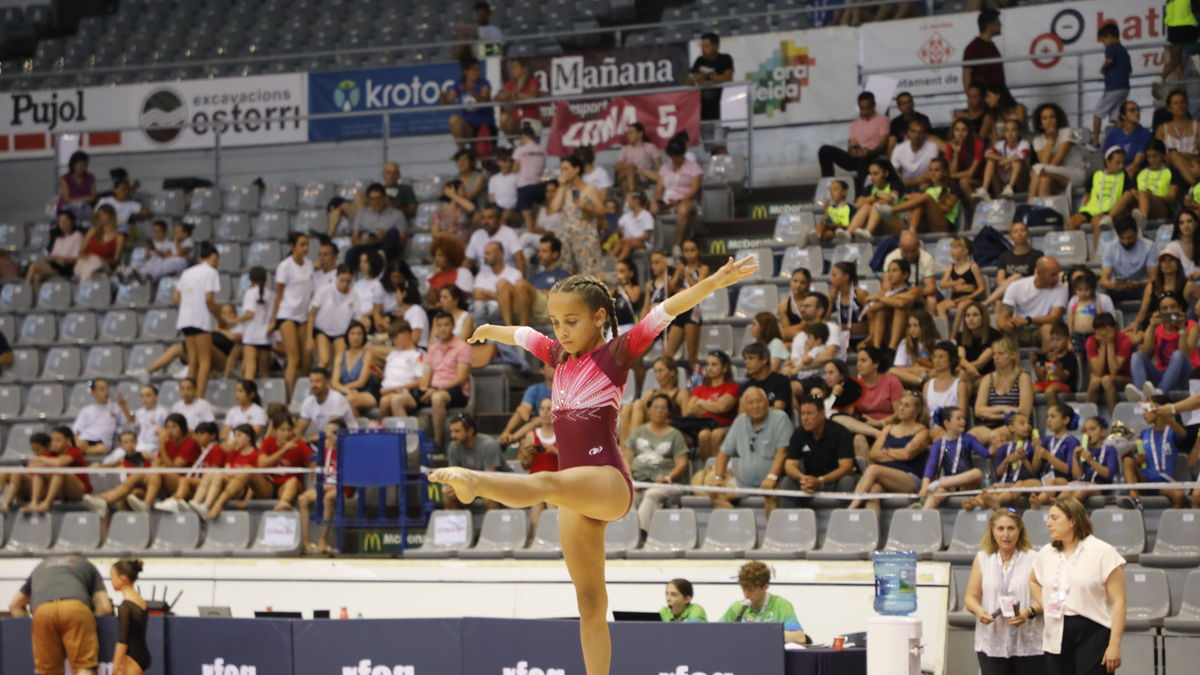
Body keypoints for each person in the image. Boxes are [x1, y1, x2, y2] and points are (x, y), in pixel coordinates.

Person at [430, 257, 758, 675]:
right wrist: (488, 330)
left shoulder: (616, 355)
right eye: (556, 322)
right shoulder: (557, 355)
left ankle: (475, 482)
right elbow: (523, 334)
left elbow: (666, 311)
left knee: (547, 481)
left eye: (571, 321)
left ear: (599, 316)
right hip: (575, 498)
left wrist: (713, 282)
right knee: (590, 602)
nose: (562, 332)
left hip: (607, 481)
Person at [1030, 497, 1127, 675]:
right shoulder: (1046, 552)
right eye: (1048, 518)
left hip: (1093, 632)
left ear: (1073, 520)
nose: (1048, 523)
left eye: (1054, 518)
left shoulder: (1103, 552)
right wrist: (1046, 603)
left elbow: (1119, 602)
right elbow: (1033, 581)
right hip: (1056, 630)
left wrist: (1114, 645)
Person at [963, 509, 1043, 674]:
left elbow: (1046, 600)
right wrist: (979, 611)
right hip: (993, 641)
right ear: (992, 531)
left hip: (1028, 642)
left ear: (1019, 531)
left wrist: (1028, 612)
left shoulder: (1034, 559)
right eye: (1000, 529)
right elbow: (970, 597)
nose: (1005, 534)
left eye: (1011, 528)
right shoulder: (983, 558)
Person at [8, 553, 113, 675]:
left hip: (43, 611)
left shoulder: (40, 567)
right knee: (83, 666)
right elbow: (105, 607)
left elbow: (14, 606)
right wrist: (90, 623)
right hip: (75, 608)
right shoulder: (86, 565)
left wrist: (33, 626)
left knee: (47, 670)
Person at [703, 387, 790, 516]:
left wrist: (771, 477)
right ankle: (739, 528)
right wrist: (718, 478)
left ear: (767, 403)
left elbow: (783, 452)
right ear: (744, 406)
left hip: (775, 481)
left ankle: (771, 534)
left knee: (772, 496)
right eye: (750, 402)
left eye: (759, 401)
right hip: (743, 484)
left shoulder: (780, 418)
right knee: (716, 494)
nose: (755, 406)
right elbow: (724, 452)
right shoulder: (740, 421)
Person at [847, 391, 930, 512]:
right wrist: (897, 454)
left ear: (916, 411)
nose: (901, 408)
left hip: (909, 478)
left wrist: (886, 451)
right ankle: (872, 529)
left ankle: (851, 509)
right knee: (873, 491)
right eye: (900, 404)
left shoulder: (922, 431)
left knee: (873, 469)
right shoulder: (888, 428)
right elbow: (874, 454)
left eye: (907, 406)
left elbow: (906, 454)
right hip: (885, 477)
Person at [622, 393, 689, 532]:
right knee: (628, 496)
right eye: (656, 407)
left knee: (652, 494)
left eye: (663, 408)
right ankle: (627, 531)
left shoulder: (675, 435)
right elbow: (626, 460)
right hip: (639, 482)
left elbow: (682, 463)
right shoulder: (638, 432)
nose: (659, 411)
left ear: (668, 412)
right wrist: (631, 480)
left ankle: (640, 531)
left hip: (665, 483)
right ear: (649, 410)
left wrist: (667, 478)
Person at [1128, 291, 1199, 398]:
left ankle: (1160, 393)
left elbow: (1186, 354)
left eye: (1173, 307)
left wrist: (1181, 328)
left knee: (1178, 354)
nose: (1169, 311)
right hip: (1163, 376)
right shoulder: (1156, 328)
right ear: (1159, 312)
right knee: (1136, 356)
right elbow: (1146, 354)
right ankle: (1141, 394)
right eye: (1165, 309)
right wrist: (1151, 327)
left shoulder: (1191, 326)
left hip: (1186, 377)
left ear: (1180, 308)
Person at [1120, 397, 1188, 508]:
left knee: (1179, 495)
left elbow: (1183, 435)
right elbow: (1138, 459)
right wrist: (1138, 460)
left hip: (1164, 482)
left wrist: (1166, 416)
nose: (1144, 413)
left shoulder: (1172, 432)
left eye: (1148, 408)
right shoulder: (1144, 433)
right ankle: (1134, 499)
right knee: (1128, 461)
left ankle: (1173, 523)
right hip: (1146, 479)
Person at [785, 395, 858, 497]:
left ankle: (845, 512)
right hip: (811, 481)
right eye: (802, 414)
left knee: (847, 481)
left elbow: (846, 467)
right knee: (787, 482)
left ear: (822, 414)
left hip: (835, 481)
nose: (805, 418)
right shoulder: (799, 433)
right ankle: (791, 513)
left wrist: (821, 481)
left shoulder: (840, 433)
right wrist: (803, 478)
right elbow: (790, 465)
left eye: (810, 413)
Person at [719, 561, 807, 644]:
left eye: (751, 590)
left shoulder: (781, 605)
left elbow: (799, 638)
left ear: (765, 587)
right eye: (744, 590)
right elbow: (718, 632)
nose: (746, 595)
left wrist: (761, 633)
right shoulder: (737, 607)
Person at [419, 311, 472, 448]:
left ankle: (437, 443)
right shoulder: (433, 348)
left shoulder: (462, 347)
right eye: (439, 325)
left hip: (456, 390)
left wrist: (436, 389)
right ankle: (414, 446)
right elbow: (426, 374)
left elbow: (461, 378)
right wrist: (424, 389)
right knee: (398, 400)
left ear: (453, 326)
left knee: (437, 398)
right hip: (434, 389)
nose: (443, 328)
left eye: (446, 325)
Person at [272, 232, 315, 402]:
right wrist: (273, 320)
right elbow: (279, 294)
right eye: (302, 245)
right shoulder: (285, 266)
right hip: (287, 314)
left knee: (306, 360)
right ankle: (288, 399)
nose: (305, 248)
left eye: (307, 244)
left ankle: (302, 396)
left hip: (303, 315)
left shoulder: (310, 264)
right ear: (292, 246)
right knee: (294, 359)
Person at [818, 92, 891, 190]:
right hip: (857, 157)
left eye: (867, 108)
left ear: (874, 105)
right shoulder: (855, 124)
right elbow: (852, 145)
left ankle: (860, 193)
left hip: (873, 156)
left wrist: (869, 151)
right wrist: (853, 151)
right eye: (862, 108)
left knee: (864, 158)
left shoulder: (883, 120)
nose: (864, 111)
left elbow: (883, 143)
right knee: (824, 150)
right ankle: (827, 186)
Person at [969, 337, 1033, 446]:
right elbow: (978, 410)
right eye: (994, 354)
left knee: (995, 436)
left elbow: (1024, 412)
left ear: (1013, 355)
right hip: (988, 425)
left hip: (1013, 426)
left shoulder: (1022, 377)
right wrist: (1005, 409)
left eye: (1001, 353)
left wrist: (991, 414)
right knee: (967, 439)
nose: (996, 358)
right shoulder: (988, 378)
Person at [919, 407, 987, 508]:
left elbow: (985, 454)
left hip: (967, 484)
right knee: (935, 496)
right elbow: (930, 467)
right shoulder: (939, 444)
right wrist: (924, 486)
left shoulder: (968, 439)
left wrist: (995, 447)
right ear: (947, 423)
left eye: (963, 418)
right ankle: (923, 517)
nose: (963, 421)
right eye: (958, 418)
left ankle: (938, 483)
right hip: (949, 486)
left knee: (977, 473)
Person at [1068, 147, 1130, 255]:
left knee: (1097, 221)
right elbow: (1088, 194)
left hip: (1109, 210)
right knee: (1071, 221)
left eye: (1122, 163)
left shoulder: (1124, 176)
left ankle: (1098, 255)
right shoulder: (1095, 175)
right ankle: (1075, 253)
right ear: (1108, 162)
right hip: (1091, 209)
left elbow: (1125, 196)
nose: (1121, 166)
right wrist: (1084, 209)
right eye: (1117, 163)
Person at [442, 413, 508, 510]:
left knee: (489, 497)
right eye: (451, 432)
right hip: (471, 486)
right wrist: (451, 487)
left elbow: (489, 480)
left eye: (457, 431)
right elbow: (454, 476)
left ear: (470, 431)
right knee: (448, 495)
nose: (453, 436)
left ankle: (493, 524)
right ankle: (455, 525)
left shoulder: (489, 445)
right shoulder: (453, 447)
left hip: (499, 485)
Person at [999, 257, 1067, 350]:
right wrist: (1006, 324)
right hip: (1019, 328)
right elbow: (1003, 316)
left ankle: (1047, 363)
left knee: (1047, 329)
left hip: (1041, 328)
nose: (1057, 278)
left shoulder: (1061, 289)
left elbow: (1055, 318)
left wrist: (1028, 320)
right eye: (1053, 275)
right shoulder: (1016, 286)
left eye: (1058, 274)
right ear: (1039, 273)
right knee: (1001, 328)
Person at [21, 426, 91, 514]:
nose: (54, 443)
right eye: (53, 440)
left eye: (58, 440)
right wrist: (48, 462)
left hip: (78, 491)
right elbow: (31, 465)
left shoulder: (74, 451)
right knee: (39, 471)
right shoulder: (52, 453)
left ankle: (46, 504)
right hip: (61, 492)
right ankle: (34, 502)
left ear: (68, 440)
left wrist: (43, 459)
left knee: (59, 471)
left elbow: (59, 463)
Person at [299, 419, 345, 554]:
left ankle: (322, 541)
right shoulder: (325, 450)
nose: (329, 435)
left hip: (340, 487)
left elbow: (349, 478)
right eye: (327, 432)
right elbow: (319, 474)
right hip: (324, 485)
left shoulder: (348, 450)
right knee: (303, 499)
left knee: (328, 498)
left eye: (333, 432)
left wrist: (329, 487)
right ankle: (305, 543)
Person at [651, 136, 703, 248]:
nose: (674, 158)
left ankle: (677, 244)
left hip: (686, 200)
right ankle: (655, 244)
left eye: (677, 155)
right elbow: (659, 188)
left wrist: (679, 201)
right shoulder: (664, 168)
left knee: (682, 209)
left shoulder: (693, 167)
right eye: (672, 155)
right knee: (652, 207)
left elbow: (694, 189)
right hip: (667, 201)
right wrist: (660, 201)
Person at [1029, 403, 1082, 509]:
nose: (1048, 420)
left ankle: (1038, 501)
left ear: (1066, 420)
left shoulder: (1072, 442)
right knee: (1021, 483)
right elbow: (1035, 468)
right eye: (1047, 416)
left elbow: (1069, 470)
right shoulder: (1046, 440)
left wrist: (1048, 456)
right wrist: (1037, 449)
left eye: (1053, 417)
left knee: (1052, 482)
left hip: (1063, 480)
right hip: (1043, 479)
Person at [1029, 103, 1087, 198]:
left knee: (1036, 169)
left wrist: (1051, 139)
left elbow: (1054, 163)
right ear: (1040, 123)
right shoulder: (1037, 140)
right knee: (1045, 180)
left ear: (1057, 119)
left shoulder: (1066, 133)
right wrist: (1049, 141)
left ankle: (1029, 204)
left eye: (1052, 117)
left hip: (1074, 174)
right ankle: (1042, 211)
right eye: (1045, 118)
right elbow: (1044, 163)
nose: (1049, 121)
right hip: (1054, 174)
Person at [988, 222, 1043, 315]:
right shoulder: (1004, 256)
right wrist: (1013, 285)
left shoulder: (1037, 255)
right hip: (1008, 291)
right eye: (1015, 231)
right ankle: (1001, 327)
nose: (1019, 234)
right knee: (998, 303)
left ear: (1028, 234)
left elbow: (1036, 279)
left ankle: (986, 302)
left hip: (1028, 291)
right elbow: (1000, 281)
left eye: (1022, 230)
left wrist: (1017, 282)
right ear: (1011, 237)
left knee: (1016, 276)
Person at [26, 210, 84, 297]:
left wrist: (59, 258)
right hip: (56, 264)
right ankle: (37, 298)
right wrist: (55, 258)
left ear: (72, 221)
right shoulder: (59, 239)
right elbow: (52, 256)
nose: (63, 223)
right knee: (37, 275)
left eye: (65, 220)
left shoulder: (77, 236)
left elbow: (77, 257)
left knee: (34, 266)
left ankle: (25, 289)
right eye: (60, 221)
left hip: (68, 266)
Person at [1100, 216, 1156, 304]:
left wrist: (1137, 284)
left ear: (1136, 233)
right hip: (1118, 288)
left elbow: (1154, 278)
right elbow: (1104, 280)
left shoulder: (1149, 246)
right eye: (1122, 238)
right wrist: (1114, 286)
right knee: (1100, 291)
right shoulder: (1109, 248)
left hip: (1141, 287)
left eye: (1129, 238)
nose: (1126, 242)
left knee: (1153, 289)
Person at [444, 56, 495, 150]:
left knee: (485, 161)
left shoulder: (484, 83)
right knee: (454, 119)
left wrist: (470, 90)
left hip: (484, 126)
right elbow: (449, 100)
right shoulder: (460, 83)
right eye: (474, 70)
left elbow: (483, 99)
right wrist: (443, 98)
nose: (477, 72)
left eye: (478, 69)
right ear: (465, 72)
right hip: (469, 126)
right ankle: (461, 151)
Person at [1093, 24, 1132, 148]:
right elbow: (1129, 70)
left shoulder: (1111, 47)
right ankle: (1126, 139)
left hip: (1113, 88)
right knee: (1116, 117)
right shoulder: (1124, 51)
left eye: (1103, 40)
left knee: (1097, 113)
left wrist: (1103, 69)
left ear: (1109, 37)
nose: (1103, 44)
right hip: (1124, 87)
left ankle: (1095, 142)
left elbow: (1109, 60)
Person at [109, 558, 150, 675]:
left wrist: (115, 666)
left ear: (122, 579)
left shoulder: (125, 607)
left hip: (131, 657)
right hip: (143, 655)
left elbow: (123, 640)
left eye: (112, 577)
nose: (111, 581)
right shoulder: (141, 601)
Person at [376, 319, 423, 419]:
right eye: (393, 339)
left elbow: (420, 381)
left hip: (408, 393)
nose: (394, 341)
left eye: (396, 338)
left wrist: (394, 389)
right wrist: (380, 374)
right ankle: (385, 432)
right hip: (388, 392)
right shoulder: (392, 354)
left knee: (396, 400)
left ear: (407, 334)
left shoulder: (419, 355)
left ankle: (406, 433)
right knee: (384, 402)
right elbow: (390, 376)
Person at [296, 368, 359, 441]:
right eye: (311, 381)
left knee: (330, 438)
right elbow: (300, 429)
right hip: (324, 440)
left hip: (349, 439)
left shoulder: (337, 399)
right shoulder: (308, 401)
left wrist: (315, 438)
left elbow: (333, 429)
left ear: (327, 383)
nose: (313, 385)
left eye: (317, 381)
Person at [923, 342, 970, 439]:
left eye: (941, 357)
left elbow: (962, 416)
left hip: (951, 431)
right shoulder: (927, 385)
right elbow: (924, 416)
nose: (937, 360)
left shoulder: (960, 385)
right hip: (930, 431)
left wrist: (942, 429)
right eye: (935, 357)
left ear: (951, 360)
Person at [688, 32, 734, 127]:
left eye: (706, 46)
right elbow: (690, 79)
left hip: (722, 107)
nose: (703, 49)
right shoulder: (699, 60)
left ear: (716, 46)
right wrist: (696, 78)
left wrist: (707, 77)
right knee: (707, 139)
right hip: (704, 109)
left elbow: (728, 77)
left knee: (720, 139)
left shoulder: (725, 59)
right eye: (702, 46)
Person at [977, 119, 1031, 199]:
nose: (1010, 134)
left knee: (1017, 162)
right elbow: (987, 154)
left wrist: (1004, 162)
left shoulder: (1024, 143)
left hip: (1021, 182)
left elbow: (1021, 155)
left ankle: (1010, 188)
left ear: (1019, 132)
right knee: (991, 161)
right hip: (1003, 181)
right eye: (1007, 130)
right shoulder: (1000, 144)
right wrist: (1005, 161)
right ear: (1004, 133)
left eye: (1014, 130)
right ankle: (984, 189)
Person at [938, 237, 986, 326]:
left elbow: (982, 288)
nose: (952, 251)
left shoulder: (973, 266)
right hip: (956, 298)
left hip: (970, 298)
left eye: (956, 248)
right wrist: (955, 283)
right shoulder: (951, 267)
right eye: (952, 248)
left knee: (961, 307)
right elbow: (942, 284)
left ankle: (953, 336)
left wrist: (969, 297)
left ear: (965, 251)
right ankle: (945, 332)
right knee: (940, 306)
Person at [71, 378, 122, 459]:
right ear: (93, 392)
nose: (105, 392)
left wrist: (124, 406)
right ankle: (80, 451)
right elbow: (76, 431)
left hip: (102, 443)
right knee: (79, 444)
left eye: (106, 389)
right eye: (101, 389)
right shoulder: (86, 410)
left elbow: (129, 421)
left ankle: (78, 452)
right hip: (85, 440)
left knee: (102, 448)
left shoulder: (115, 408)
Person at [1157, 90, 1200, 187]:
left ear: (1187, 104)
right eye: (1175, 103)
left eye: (1182, 102)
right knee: (1173, 155)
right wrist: (1179, 156)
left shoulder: (1197, 126)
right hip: (1169, 166)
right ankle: (1196, 186)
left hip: (1194, 163)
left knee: (1176, 155)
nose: (1180, 105)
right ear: (1169, 108)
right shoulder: (1162, 129)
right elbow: (1158, 154)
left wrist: (1186, 158)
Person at [75, 204, 124, 281]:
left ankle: (84, 286)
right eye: (100, 215)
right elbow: (81, 251)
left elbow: (116, 259)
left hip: (103, 266)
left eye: (104, 214)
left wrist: (99, 259)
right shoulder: (91, 232)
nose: (101, 217)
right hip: (85, 263)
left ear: (111, 216)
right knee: (91, 264)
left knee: (95, 262)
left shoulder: (119, 237)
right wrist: (85, 257)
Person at [495, 57, 541, 138]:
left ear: (524, 68)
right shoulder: (510, 84)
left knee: (510, 122)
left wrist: (514, 95)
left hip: (530, 119)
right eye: (511, 67)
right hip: (516, 121)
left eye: (515, 67)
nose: (512, 70)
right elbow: (495, 98)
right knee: (503, 117)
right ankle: (511, 147)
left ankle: (513, 146)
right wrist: (500, 96)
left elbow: (533, 96)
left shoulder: (533, 81)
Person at [741, 342, 792, 413]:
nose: (746, 362)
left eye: (751, 358)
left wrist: (753, 410)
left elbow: (779, 409)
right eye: (745, 359)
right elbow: (741, 413)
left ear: (764, 360)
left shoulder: (781, 381)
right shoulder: (746, 386)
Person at [514, 124, 548, 231]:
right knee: (538, 220)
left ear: (523, 136)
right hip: (539, 185)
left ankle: (532, 235)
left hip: (524, 186)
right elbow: (543, 167)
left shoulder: (519, 150)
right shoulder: (542, 150)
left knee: (529, 223)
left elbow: (515, 168)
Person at [1104, 101, 1150, 178]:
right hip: (1116, 170)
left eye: (1138, 110)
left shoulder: (1144, 133)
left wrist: (1122, 174)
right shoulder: (1113, 135)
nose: (1137, 113)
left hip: (1135, 172)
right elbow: (1106, 158)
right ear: (1123, 116)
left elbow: (1136, 163)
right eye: (1132, 110)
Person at [963, 9, 1005, 91]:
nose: (1000, 24)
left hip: (997, 97)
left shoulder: (991, 45)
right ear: (990, 25)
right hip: (985, 100)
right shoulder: (973, 48)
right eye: (998, 22)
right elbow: (967, 74)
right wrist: (973, 99)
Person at [891, 119, 939, 188]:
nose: (917, 135)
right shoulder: (899, 149)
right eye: (913, 131)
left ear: (925, 134)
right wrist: (916, 180)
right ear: (908, 133)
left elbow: (933, 174)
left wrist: (909, 182)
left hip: (926, 184)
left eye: (921, 132)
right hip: (905, 186)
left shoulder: (933, 147)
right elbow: (894, 176)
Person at [615, 123, 661, 196]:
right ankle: (634, 194)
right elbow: (617, 167)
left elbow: (659, 166)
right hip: (624, 174)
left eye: (631, 133)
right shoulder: (625, 149)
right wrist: (629, 166)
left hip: (640, 176)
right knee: (631, 168)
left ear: (640, 134)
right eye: (627, 134)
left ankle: (632, 195)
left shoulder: (651, 147)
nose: (628, 136)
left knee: (627, 183)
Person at [610, 192, 654, 260]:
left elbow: (646, 235)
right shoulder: (626, 215)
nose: (627, 203)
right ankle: (609, 261)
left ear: (636, 201)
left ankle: (619, 262)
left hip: (642, 242)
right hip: (627, 240)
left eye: (629, 200)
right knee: (620, 242)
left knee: (628, 244)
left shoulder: (647, 215)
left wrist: (630, 239)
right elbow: (618, 228)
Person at [57, 150, 97, 218]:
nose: (83, 168)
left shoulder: (91, 178)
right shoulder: (65, 179)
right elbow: (67, 200)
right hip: (68, 207)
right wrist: (83, 199)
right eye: (81, 165)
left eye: (85, 165)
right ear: (73, 165)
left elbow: (93, 197)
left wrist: (82, 200)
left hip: (84, 207)